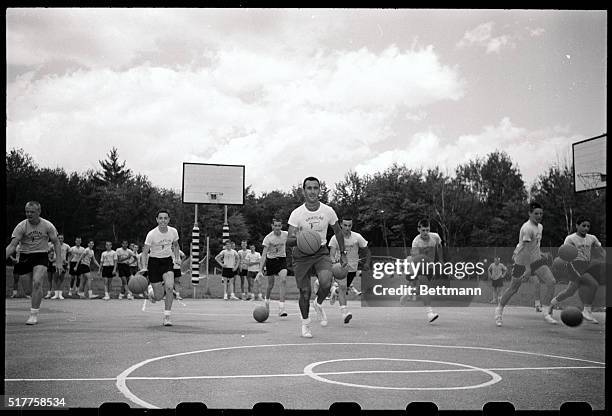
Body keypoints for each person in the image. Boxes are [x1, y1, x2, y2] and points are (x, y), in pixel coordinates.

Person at [287, 177, 347, 338]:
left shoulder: (328, 211)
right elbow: (289, 240)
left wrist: (343, 253)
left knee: (326, 282)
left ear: (319, 190)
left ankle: (318, 303)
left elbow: (338, 232)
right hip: (301, 254)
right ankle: (306, 324)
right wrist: (300, 237)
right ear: (303, 191)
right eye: (309, 188)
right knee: (305, 292)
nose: (312, 191)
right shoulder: (297, 214)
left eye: (315, 188)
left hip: (320, 251)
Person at [495, 202, 558, 327]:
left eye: (541, 213)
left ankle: (546, 313)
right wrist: (528, 269)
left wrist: (541, 253)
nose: (539, 216)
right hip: (522, 262)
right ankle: (499, 311)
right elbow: (526, 250)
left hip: (536, 260)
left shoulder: (540, 227)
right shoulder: (527, 228)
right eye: (536, 213)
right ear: (529, 214)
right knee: (514, 289)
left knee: (551, 282)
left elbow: (534, 246)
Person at [5, 201, 63, 325]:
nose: (29, 214)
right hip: (25, 256)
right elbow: (12, 246)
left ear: (39, 212)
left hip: (41, 255)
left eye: (32, 212)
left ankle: (33, 314)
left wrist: (59, 261)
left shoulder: (47, 225)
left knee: (37, 282)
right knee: (27, 291)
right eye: (27, 211)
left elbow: (56, 243)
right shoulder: (21, 226)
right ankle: (36, 297)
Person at [548, 216, 605, 324]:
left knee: (570, 292)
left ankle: (551, 305)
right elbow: (564, 252)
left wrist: (602, 256)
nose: (586, 228)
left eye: (588, 226)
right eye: (583, 225)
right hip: (574, 265)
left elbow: (601, 250)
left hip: (586, 266)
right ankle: (586, 310)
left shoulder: (592, 238)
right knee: (593, 284)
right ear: (577, 226)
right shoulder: (570, 238)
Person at [140, 209, 181, 326]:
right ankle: (151, 292)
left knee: (169, 287)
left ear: (169, 220)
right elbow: (144, 252)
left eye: (165, 218)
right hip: (154, 263)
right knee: (158, 297)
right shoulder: (151, 234)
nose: (163, 220)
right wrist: (144, 267)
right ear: (157, 220)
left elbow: (176, 245)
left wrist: (177, 258)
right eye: (160, 218)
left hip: (167, 261)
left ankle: (167, 317)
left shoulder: (173, 232)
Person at [328, 218, 371, 324]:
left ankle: (334, 291)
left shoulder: (357, 237)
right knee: (343, 287)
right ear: (341, 225)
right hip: (340, 268)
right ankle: (344, 313)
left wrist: (367, 263)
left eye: (349, 225)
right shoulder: (335, 238)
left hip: (352, 268)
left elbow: (367, 251)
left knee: (344, 288)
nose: (347, 228)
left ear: (352, 226)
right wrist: (334, 263)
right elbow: (332, 254)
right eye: (345, 225)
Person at [403, 219, 441, 323]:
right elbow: (415, 258)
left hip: (430, 266)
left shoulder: (435, 237)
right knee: (425, 288)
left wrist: (440, 261)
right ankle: (430, 313)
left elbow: (439, 249)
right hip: (420, 265)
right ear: (418, 229)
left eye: (427, 230)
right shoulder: (416, 242)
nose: (425, 233)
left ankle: (410, 291)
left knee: (422, 288)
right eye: (423, 230)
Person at [261, 219, 289, 317]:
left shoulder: (285, 234)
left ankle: (281, 308)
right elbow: (264, 255)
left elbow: (296, 237)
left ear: (281, 226)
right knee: (270, 285)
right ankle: (267, 301)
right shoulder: (268, 238)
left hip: (282, 260)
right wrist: (260, 269)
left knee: (283, 280)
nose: (277, 227)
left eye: (279, 225)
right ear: (272, 226)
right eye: (275, 225)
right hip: (271, 261)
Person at [51, 234, 71, 299]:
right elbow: (48, 252)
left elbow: (71, 254)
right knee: (55, 278)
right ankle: (56, 294)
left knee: (61, 278)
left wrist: (68, 261)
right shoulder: (53, 245)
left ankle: (60, 294)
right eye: (59, 238)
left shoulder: (66, 246)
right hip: (55, 264)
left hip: (63, 264)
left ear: (63, 239)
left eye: (61, 238)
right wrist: (51, 259)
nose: (60, 239)